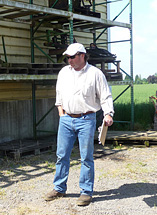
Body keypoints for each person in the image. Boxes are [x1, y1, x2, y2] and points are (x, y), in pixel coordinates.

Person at [45, 43, 114, 206]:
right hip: (66, 119)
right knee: (61, 155)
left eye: (72, 57)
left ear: (82, 55)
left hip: (86, 120)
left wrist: (108, 113)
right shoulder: (63, 73)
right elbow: (59, 94)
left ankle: (86, 192)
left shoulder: (95, 74)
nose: (69, 60)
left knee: (86, 157)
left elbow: (105, 95)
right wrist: (61, 113)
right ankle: (59, 188)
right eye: (67, 57)